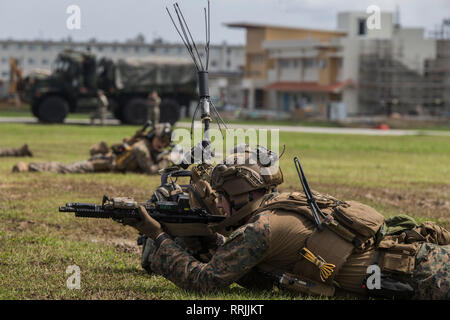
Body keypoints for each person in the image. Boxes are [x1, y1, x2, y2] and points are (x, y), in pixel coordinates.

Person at [125, 146, 449, 299]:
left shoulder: (261, 228)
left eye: (221, 194)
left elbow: (206, 281)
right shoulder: (283, 205)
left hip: (418, 275)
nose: (217, 203)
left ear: (241, 192)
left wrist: (155, 234)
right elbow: (260, 272)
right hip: (411, 260)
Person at [12, 123, 173, 175]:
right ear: (153, 136)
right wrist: (167, 160)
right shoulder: (141, 148)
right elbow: (151, 171)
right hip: (106, 162)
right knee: (69, 168)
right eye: (160, 140)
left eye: (165, 143)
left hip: (110, 161)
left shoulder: (146, 146)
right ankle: (28, 167)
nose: (161, 145)